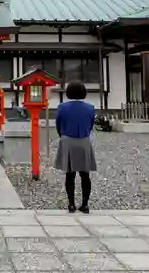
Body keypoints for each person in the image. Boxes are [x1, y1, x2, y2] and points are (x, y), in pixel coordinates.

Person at [53, 81, 97, 213]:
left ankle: (71, 204)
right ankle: (85, 204)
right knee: (85, 174)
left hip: (67, 140)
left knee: (69, 175)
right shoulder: (90, 107)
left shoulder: (62, 107)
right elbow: (90, 125)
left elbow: (58, 125)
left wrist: (63, 135)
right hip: (84, 140)